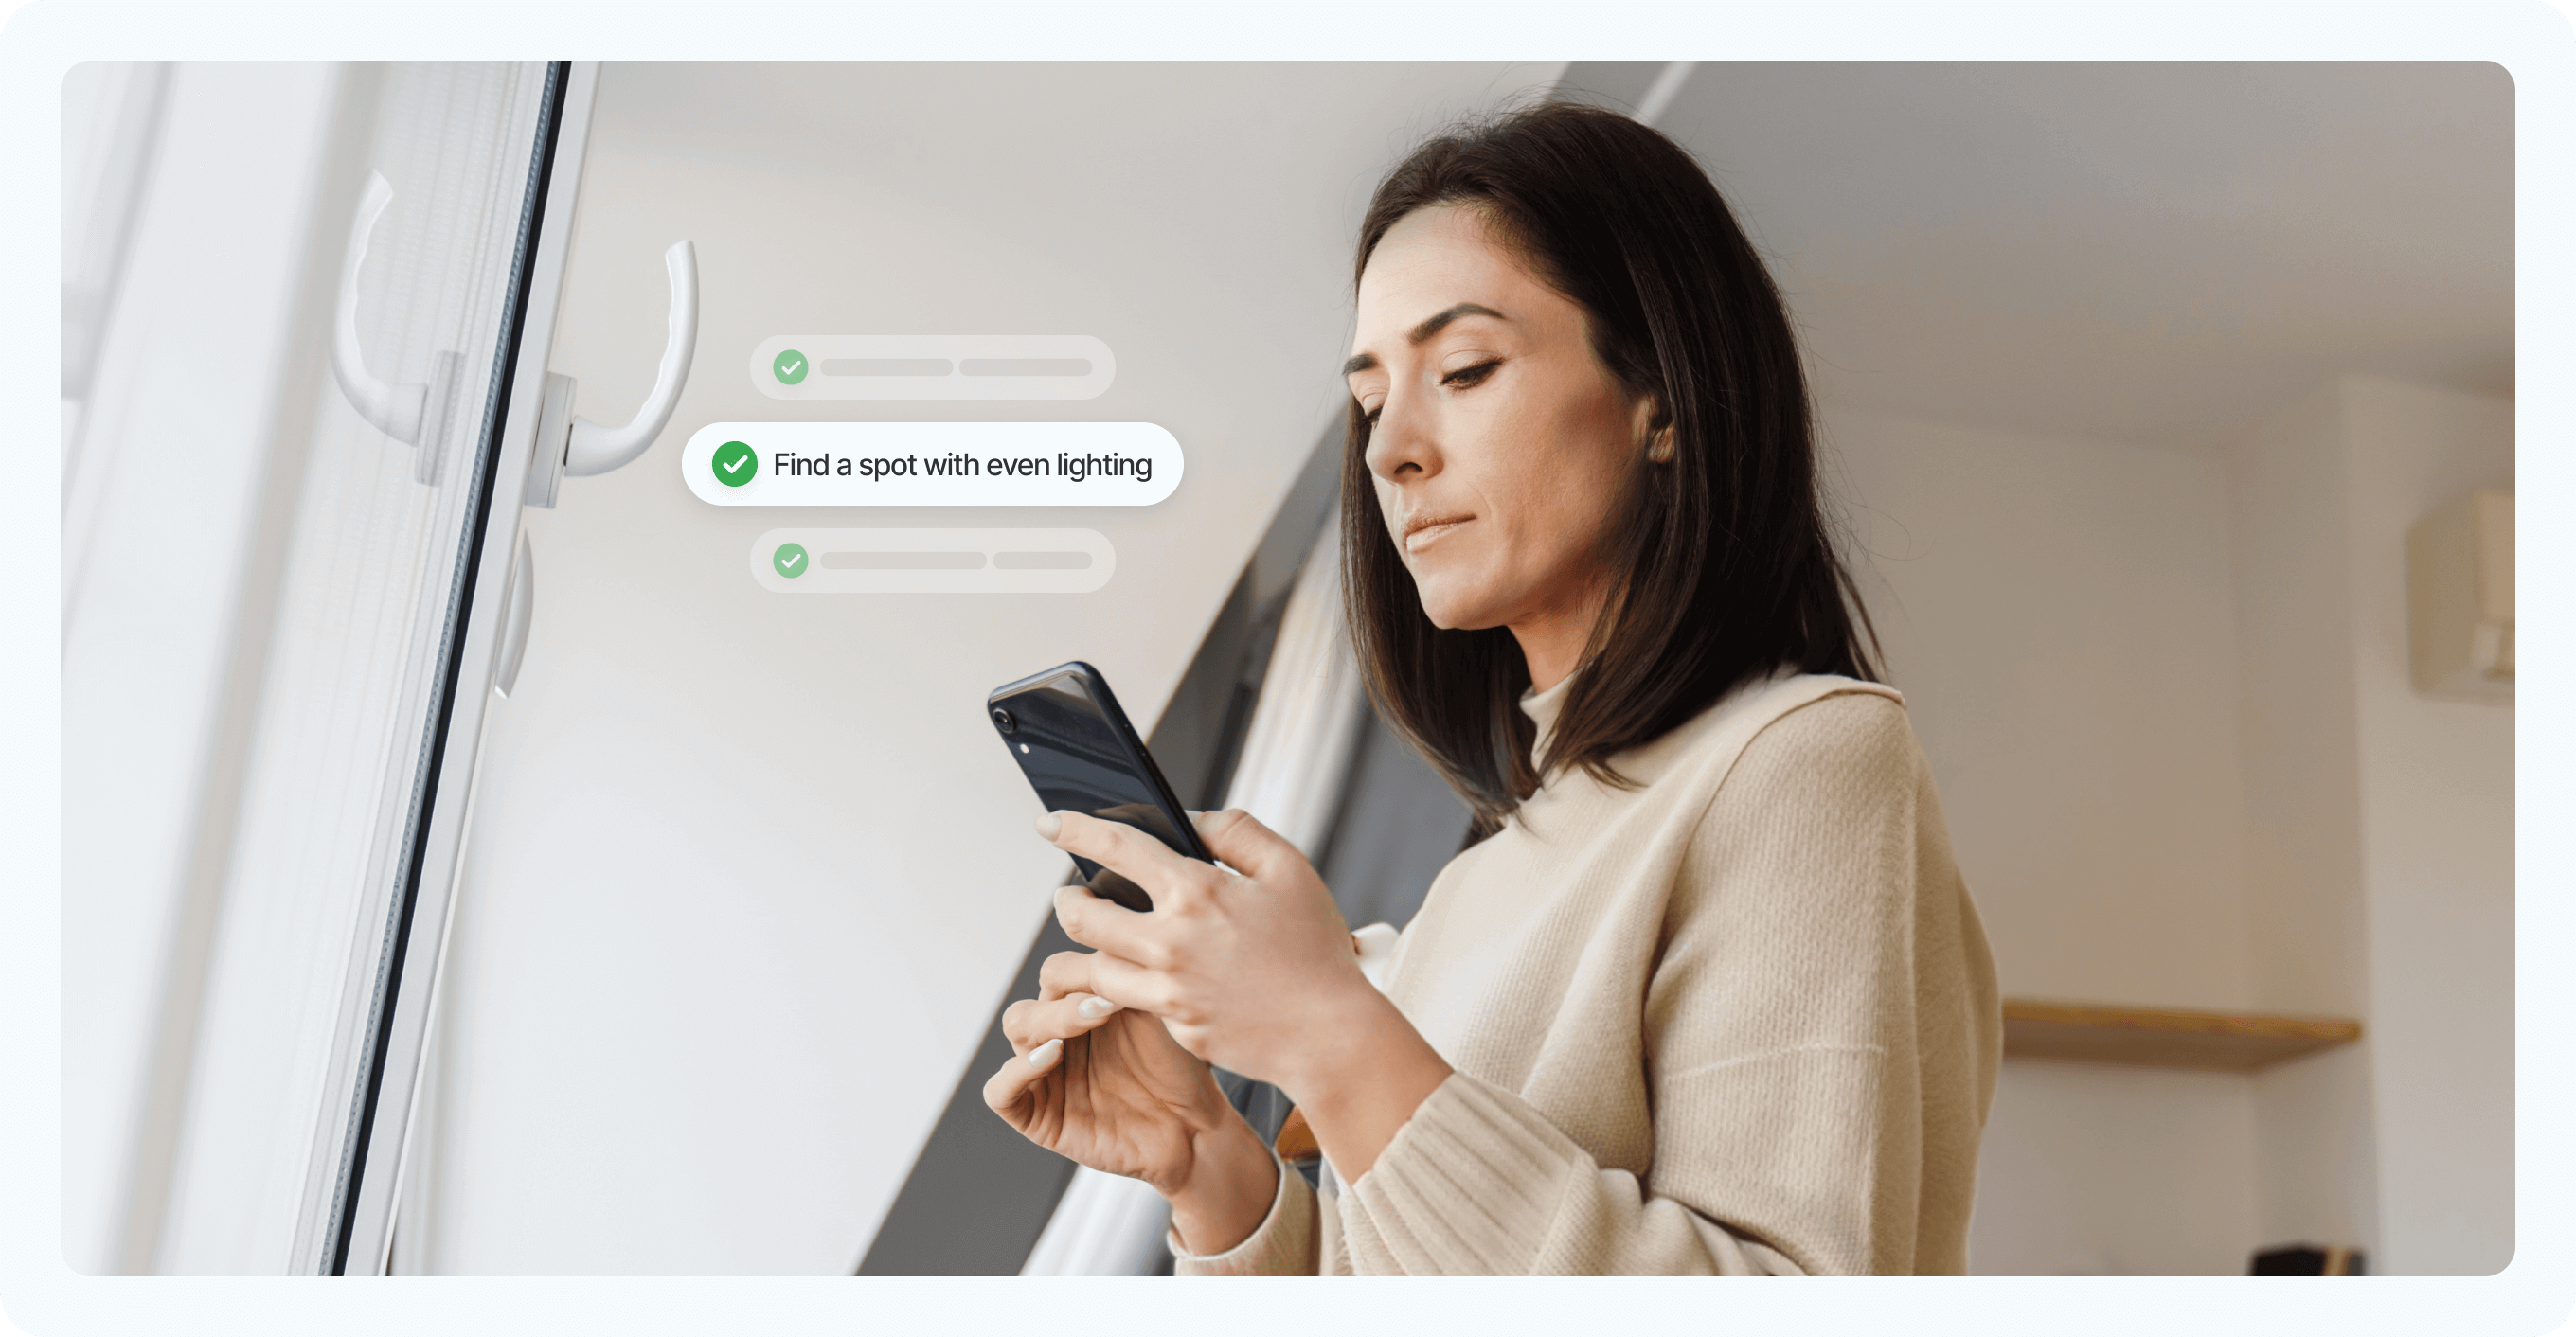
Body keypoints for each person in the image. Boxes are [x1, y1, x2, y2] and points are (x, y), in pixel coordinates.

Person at [982, 99, 2001, 1276]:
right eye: (1369, 400)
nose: (1386, 449)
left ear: (1659, 396)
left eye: (1461, 368)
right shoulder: (1487, 875)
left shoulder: (1805, 757)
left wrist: (1328, 1028)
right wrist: (1206, 1159)